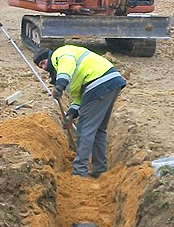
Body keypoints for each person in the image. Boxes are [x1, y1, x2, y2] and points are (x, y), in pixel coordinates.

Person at [34, 45, 126, 178]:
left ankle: (79, 172)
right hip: (111, 82)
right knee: (99, 129)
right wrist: (71, 113)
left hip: (97, 82)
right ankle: (100, 169)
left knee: (85, 129)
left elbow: (67, 65)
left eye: (42, 63)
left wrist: (59, 86)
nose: (43, 68)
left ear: (48, 57)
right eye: (40, 67)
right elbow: (79, 97)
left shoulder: (60, 54)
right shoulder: (73, 73)